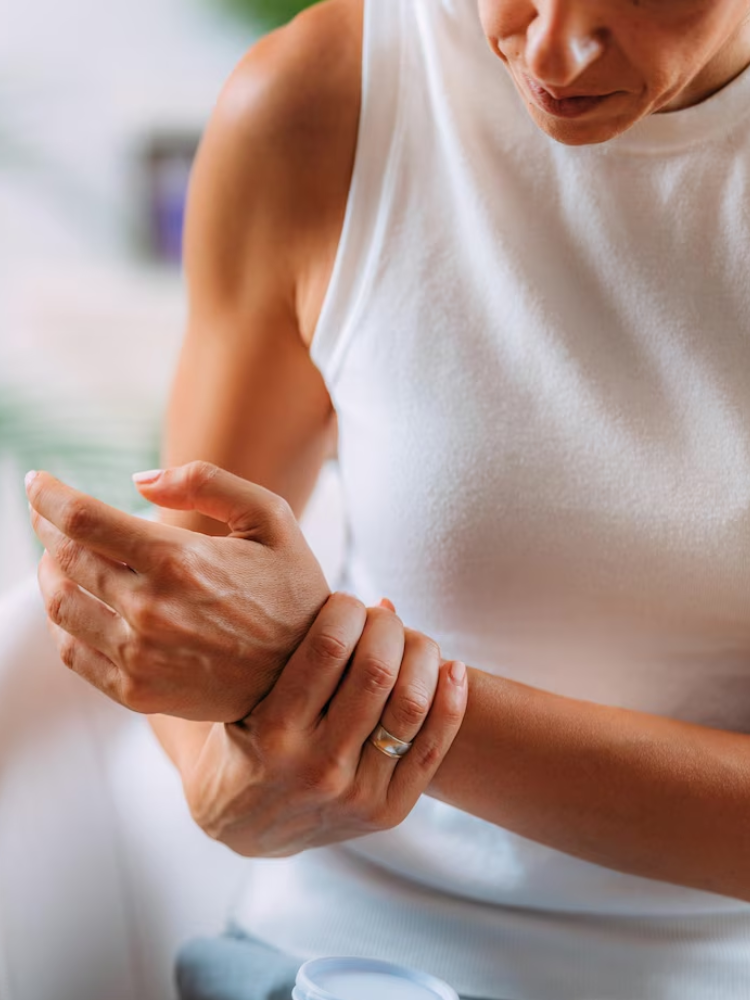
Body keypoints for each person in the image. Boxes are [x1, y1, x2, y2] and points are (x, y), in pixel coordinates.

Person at [25, 0, 750, 996]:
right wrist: (224, 784)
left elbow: (253, 648)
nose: (551, 47)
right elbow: (195, 590)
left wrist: (341, 690)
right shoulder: (327, 102)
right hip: (340, 957)